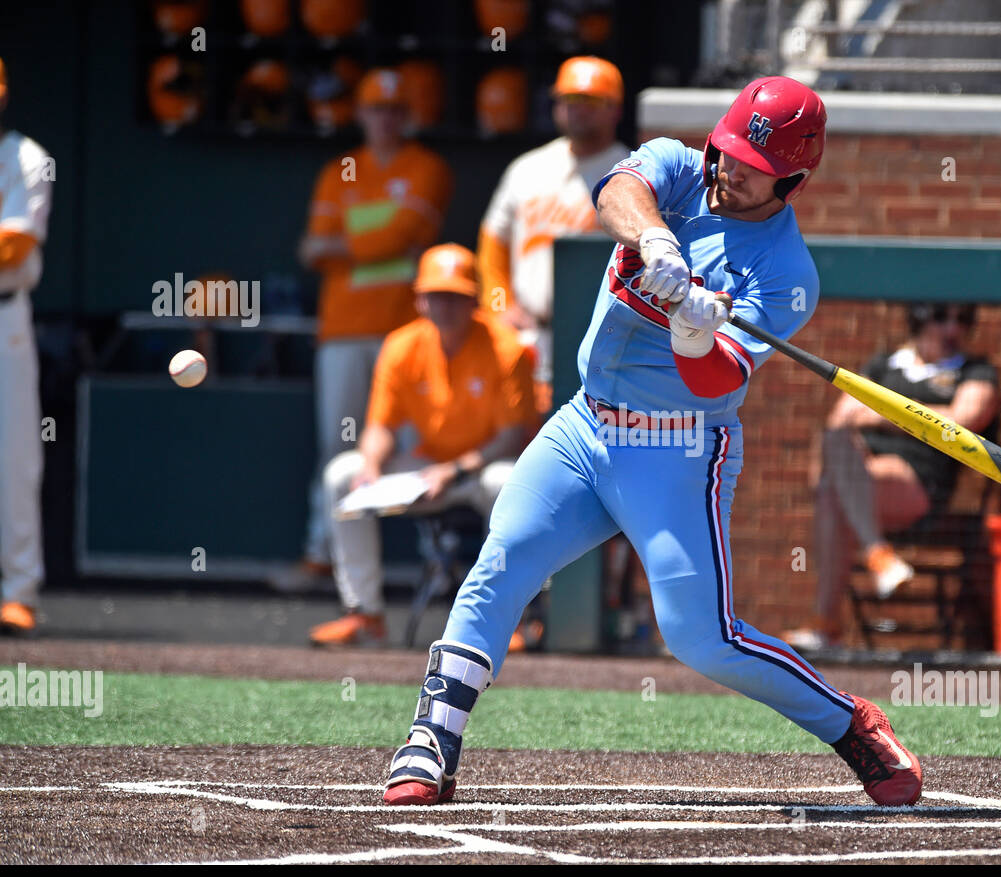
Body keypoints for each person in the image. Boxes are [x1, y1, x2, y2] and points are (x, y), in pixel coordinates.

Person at [381, 76, 924, 809]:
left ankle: (848, 723)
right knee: (501, 560)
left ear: (791, 178)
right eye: (727, 149)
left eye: (750, 164)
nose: (729, 167)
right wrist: (657, 237)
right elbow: (616, 191)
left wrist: (693, 325)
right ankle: (432, 739)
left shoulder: (787, 274)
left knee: (701, 638)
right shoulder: (677, 165)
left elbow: (715, 380)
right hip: (584, 424)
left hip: (678, 450)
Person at [273, 68, 453, 594]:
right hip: (345, 328)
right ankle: (321, 553)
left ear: (409, 115)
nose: (386, 119)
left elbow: (407, 231)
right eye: (377, 108)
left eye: (396, 110)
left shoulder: (428, 167)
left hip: (411, 329)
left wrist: (354, 239)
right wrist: (383, 237)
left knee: (422, 441)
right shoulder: (342, 169)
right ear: (362, 113)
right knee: (338, 445)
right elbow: (312, 248)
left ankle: (436, 563)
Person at [309, 244, 537, 646]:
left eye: (456, 296)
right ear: (419, 300)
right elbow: (381, 426)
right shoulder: (401, 345)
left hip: (476, 471)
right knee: (342, 475)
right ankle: (364, 613)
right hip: (425, 469)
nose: (445, 306)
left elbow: (509, 439)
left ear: (474, 301)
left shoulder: (508, 347)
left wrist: (455, 470)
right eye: (436, 296)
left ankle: (509, 620)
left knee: (507, 483)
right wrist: (371, 466)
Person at [784, 303, 1001, 651]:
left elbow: (961, 423)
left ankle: (827, 621)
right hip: (861, 476)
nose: (954, 329)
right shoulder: (884, 365)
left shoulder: (975, 371)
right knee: (835, 453)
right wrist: (897, 416)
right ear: (919, 318)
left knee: (833, 492)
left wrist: (883, 413)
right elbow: (840, 419)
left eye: (963, 319)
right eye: (942, 317)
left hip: (920, 485)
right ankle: (877, 557)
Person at [477, 55, 630, 415]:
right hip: (526, 333)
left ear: (615, 110)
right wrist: (500, 307)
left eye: (591, 102)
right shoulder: (527, 168)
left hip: (593, 336)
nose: (578, 110)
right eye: (570, 100)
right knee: (518, 435)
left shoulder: (631, 173)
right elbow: (492, 245)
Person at [0, 56, 53, 636]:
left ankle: (18, 592)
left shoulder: (26, 158)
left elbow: (11, 248)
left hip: (4, 317)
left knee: (13, 458)